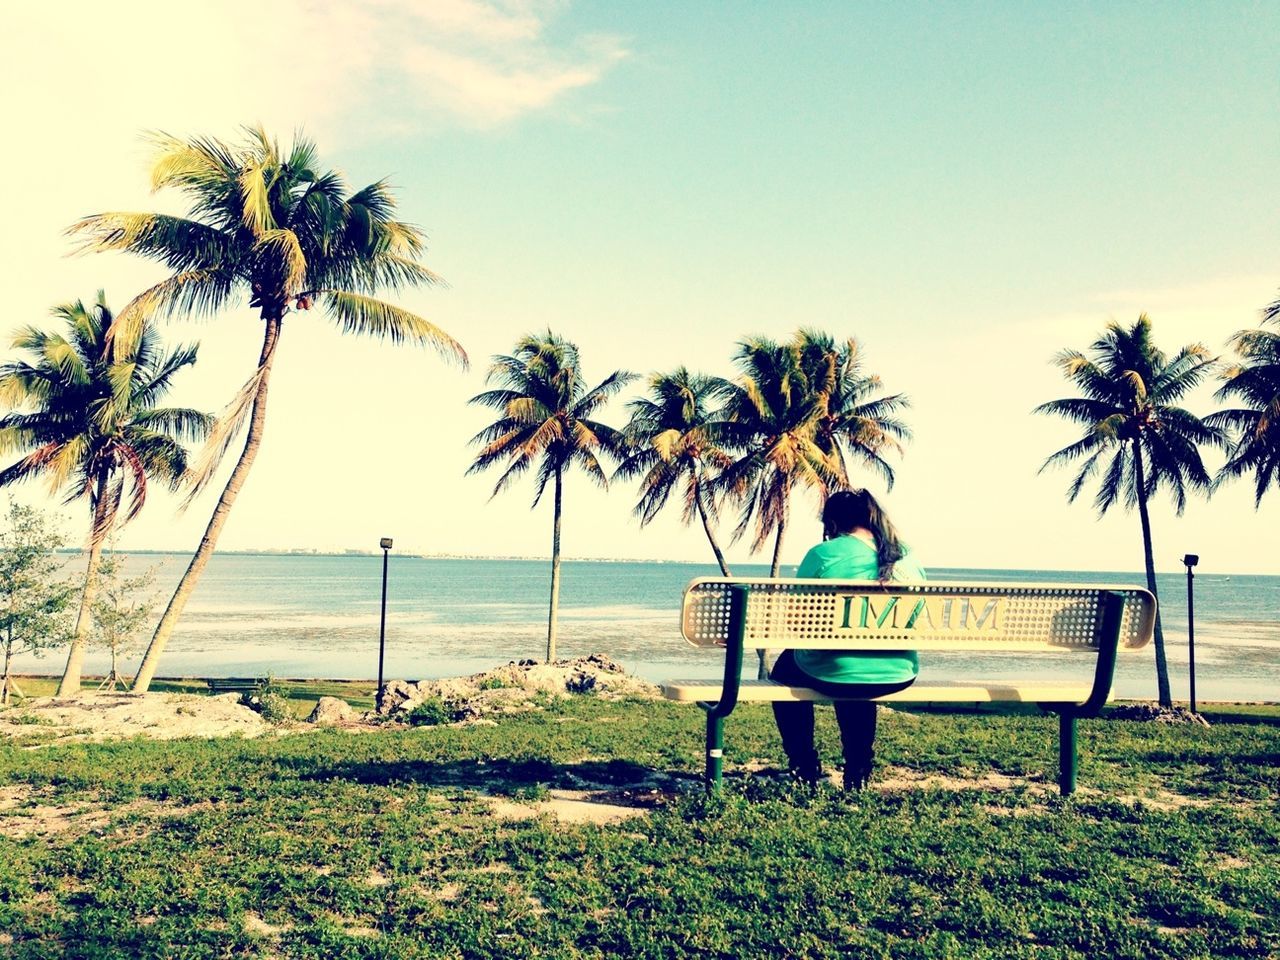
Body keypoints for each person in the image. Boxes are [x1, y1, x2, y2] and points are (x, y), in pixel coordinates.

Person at [770, 489, 926, 790]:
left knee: (788, 672)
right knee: (855, 673)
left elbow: (796, 619)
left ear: (833, 523)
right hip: (897, 672)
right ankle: (858, 769)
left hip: (835, 671)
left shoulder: (823, 554)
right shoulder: (906, 555)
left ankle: (803, 763)